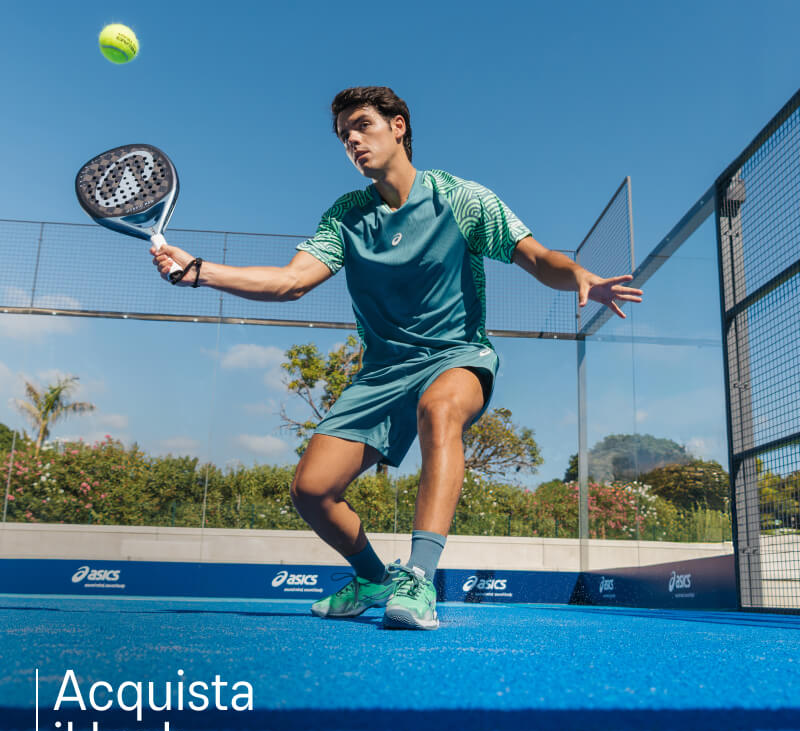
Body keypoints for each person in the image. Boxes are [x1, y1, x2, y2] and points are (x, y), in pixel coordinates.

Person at [152, 86, 643, 630]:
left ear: (399, 126)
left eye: (362, 126)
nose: (353, 141)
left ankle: (420, 580)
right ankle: (372, 577)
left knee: (440, 410)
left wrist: (575, 274)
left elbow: (536, 256)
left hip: (457, 355)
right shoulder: (345, 215)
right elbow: (291, 281)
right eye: (344, 136)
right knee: (311, 491)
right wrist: (199, 270)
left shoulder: (462, 198)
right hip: (383, 371)